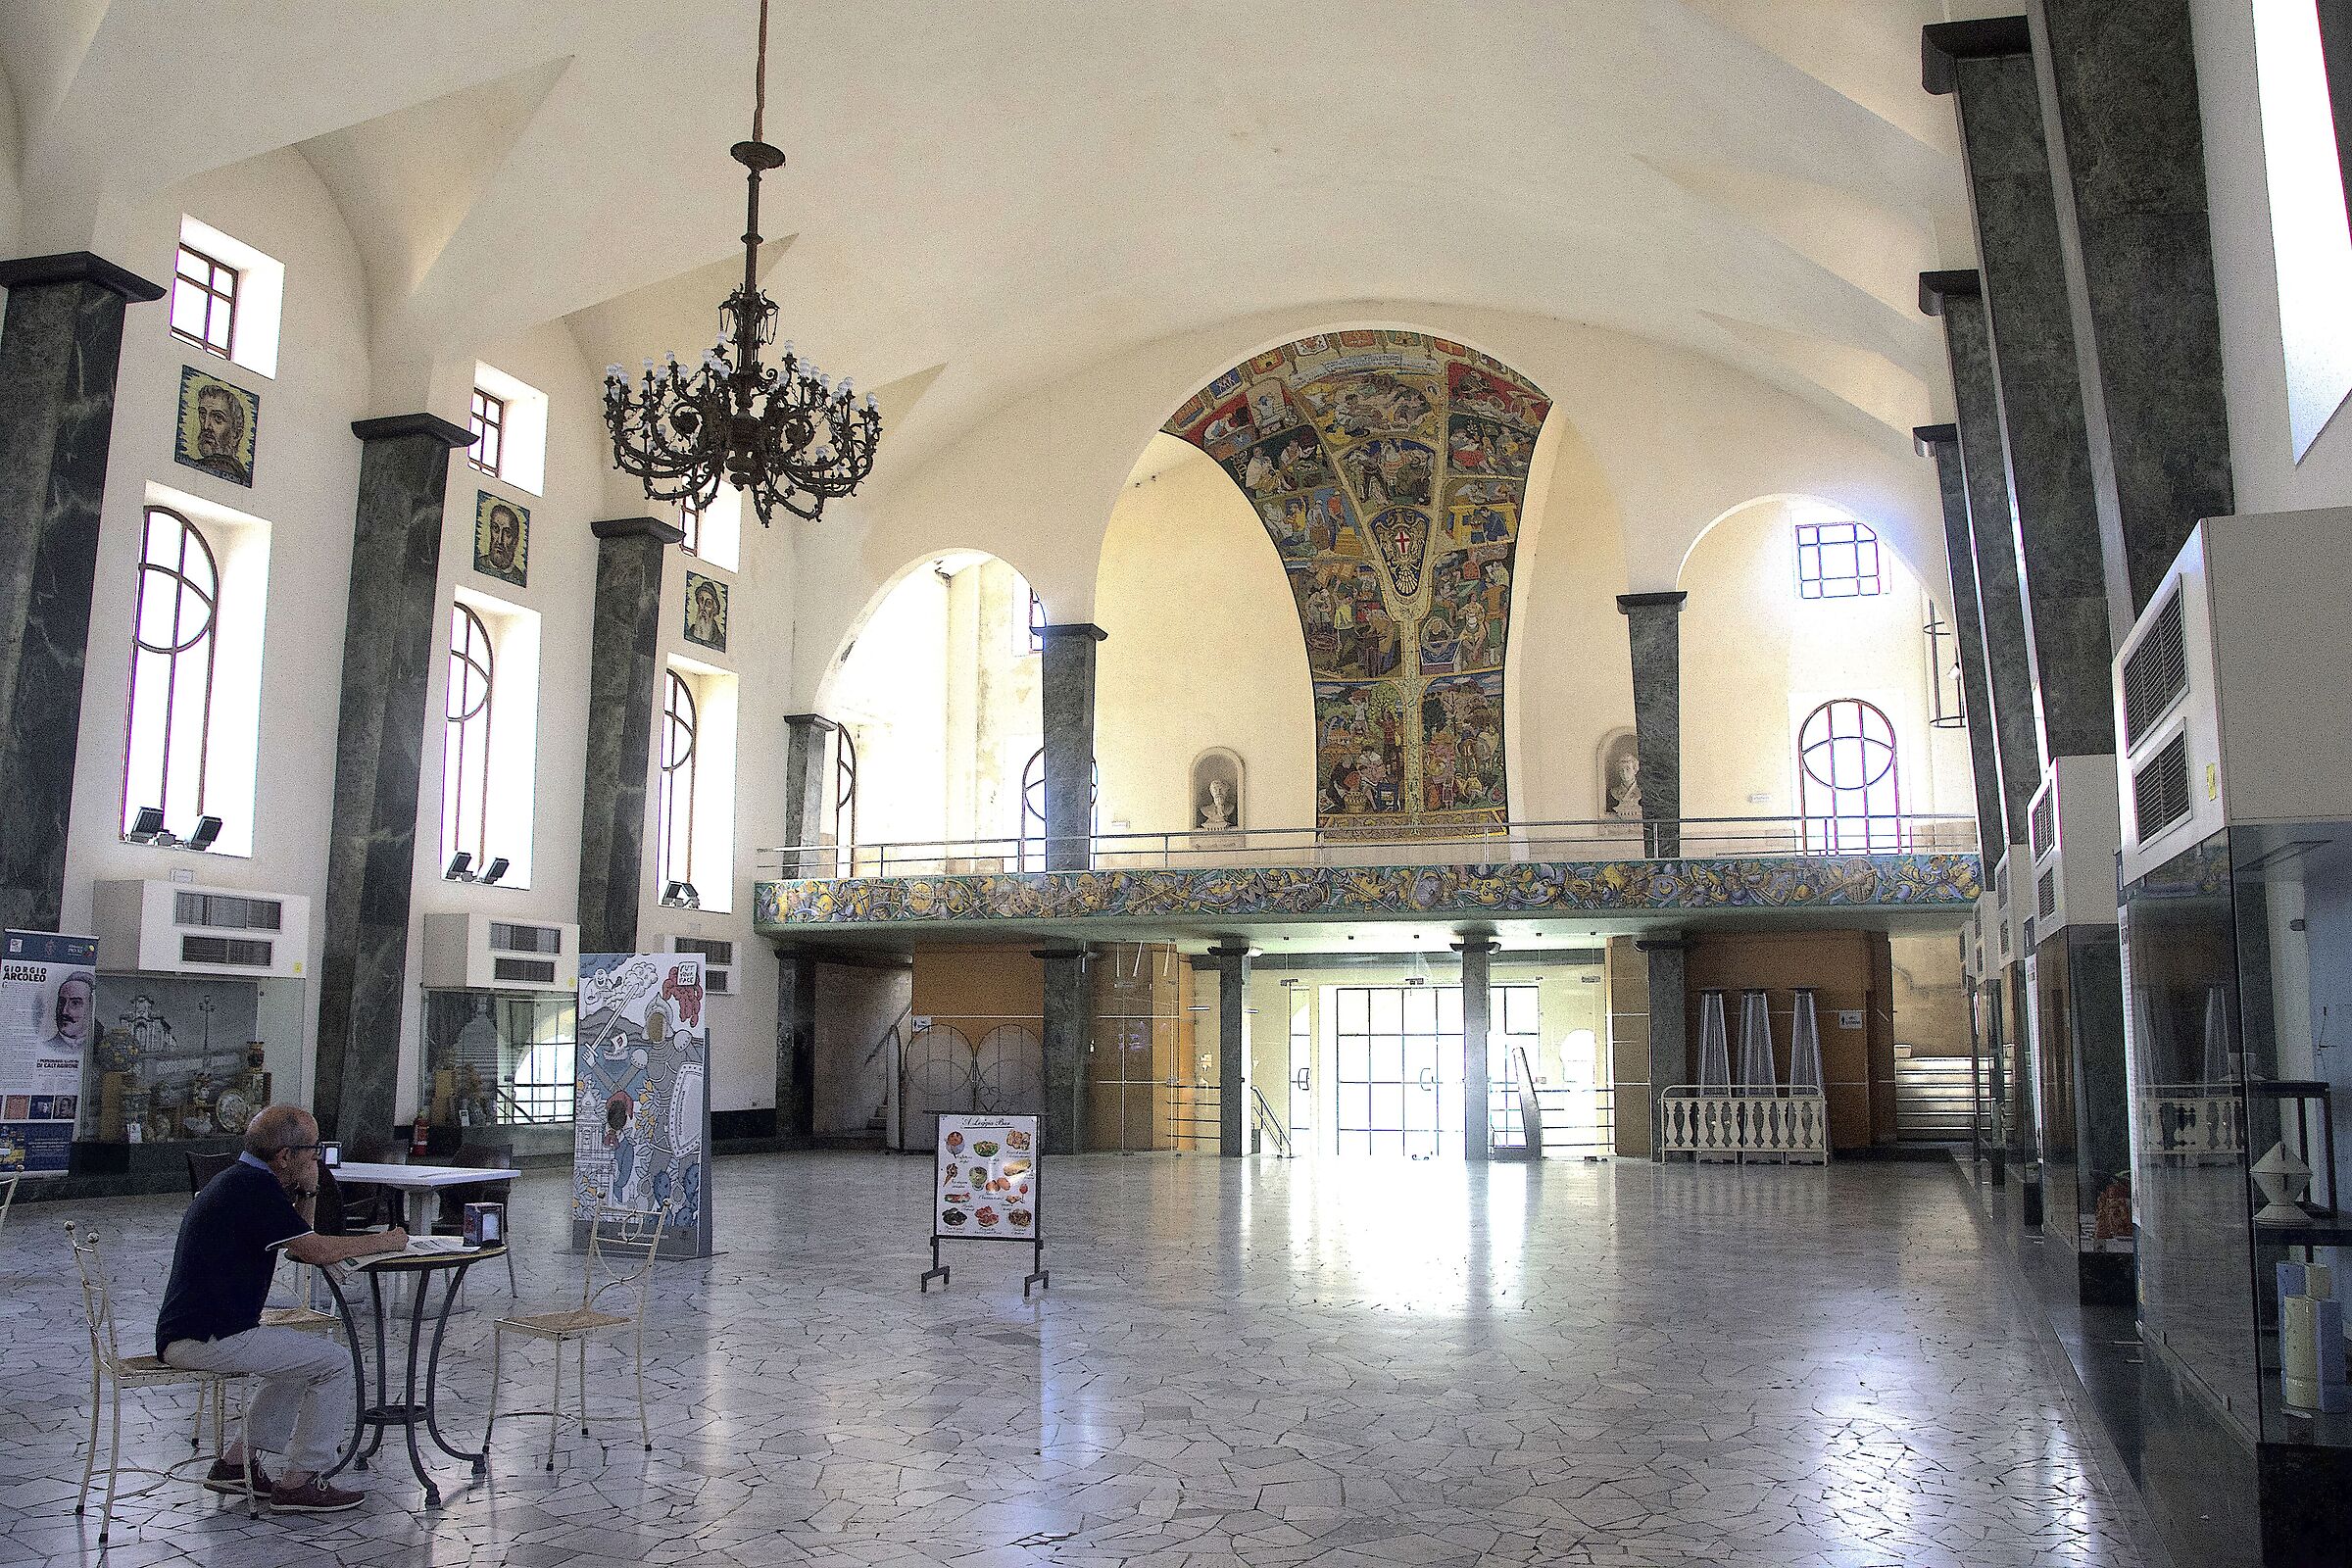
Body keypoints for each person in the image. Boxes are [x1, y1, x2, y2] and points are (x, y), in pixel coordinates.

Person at [156, 1104, 409, 1512]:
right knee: (335, 1363)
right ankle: (300, 1481)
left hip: (195, 1330)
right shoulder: (254, 1189)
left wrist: (308, 1189)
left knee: (296, 1362)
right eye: (314, 1151)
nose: (318, 1159)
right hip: (210, 1337)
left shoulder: (242, 1180)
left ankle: (236, 1464)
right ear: (285, 1155)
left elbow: (300, 1235)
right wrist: (385, 1240)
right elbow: (315, 1250)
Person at [188, 383, 252, 485]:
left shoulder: (236, 475)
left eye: (218, 418)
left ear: (236, 434)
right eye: (203, 414)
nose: (206, 426)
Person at [38, 971, 93, 1056]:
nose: (64, 1011)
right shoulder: (46, 1047)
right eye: (61, 1002)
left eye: (75, 1003)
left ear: (90, 1007)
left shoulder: (95, 1048)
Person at [482, 502, 523, 578]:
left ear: (515, 542)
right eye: (495, 529)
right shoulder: (479, 563)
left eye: (507, 532)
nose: (500, 540)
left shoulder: (520, 578)